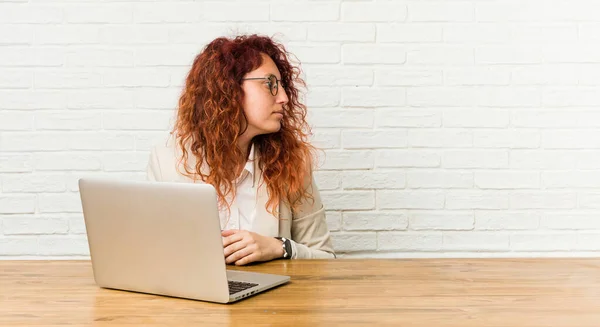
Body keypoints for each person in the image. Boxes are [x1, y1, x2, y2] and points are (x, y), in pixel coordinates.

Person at [146, 34, 335, 266]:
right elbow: (154, 256)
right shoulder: (166, 162)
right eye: (270, 84)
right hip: (195, 299)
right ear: (228, 89)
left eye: (282, 85)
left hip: (274, 301)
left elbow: (326, 259)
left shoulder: (292, 162)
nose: (284, 97)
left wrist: (279, 246)